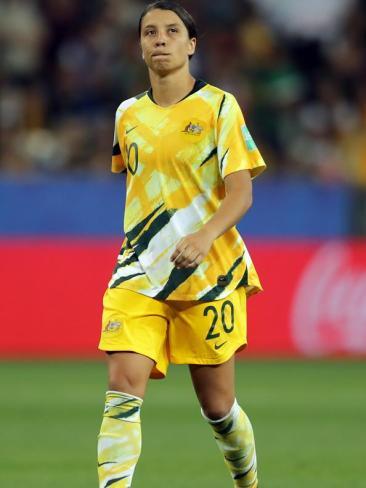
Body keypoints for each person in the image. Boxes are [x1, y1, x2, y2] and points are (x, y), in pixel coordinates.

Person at [97, 2, 266, 486]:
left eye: (172, 31)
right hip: (140, 272)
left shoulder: (219, 106)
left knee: (218, 406)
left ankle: (247, 481)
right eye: (150, 32)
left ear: (191, 45)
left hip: (210, 273)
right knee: (122, 388)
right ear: (140, 46)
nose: (160, 39)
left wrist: (203, 234)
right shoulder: (126, 114)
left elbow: (242, 192)